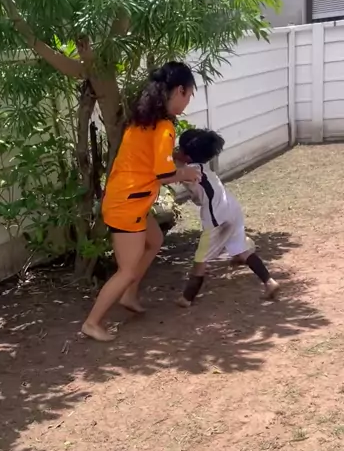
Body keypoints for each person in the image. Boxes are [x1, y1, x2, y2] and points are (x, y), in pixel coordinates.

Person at [81, 62, 202, 342]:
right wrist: (185, 172)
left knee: (155, 239)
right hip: (128, 205)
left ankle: (130, 294)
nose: (188, 101)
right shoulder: (164, 126)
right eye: (189, 94)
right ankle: (92, 322)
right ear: (180, 90)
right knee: (126, 270)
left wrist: (176, 161)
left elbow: (150, 160)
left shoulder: (143, 121)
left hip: (125, 199)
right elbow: (163, 173)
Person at [171, 128, 279, 307]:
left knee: (201, 259)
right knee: (242, 248)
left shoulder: (189, 171)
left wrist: (171, 156)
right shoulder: (203, 167)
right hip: (231, 208)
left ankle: (186, 299)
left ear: (187, 155)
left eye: (179, 148)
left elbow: (168, 172)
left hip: (216, 216)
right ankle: (269, 282)